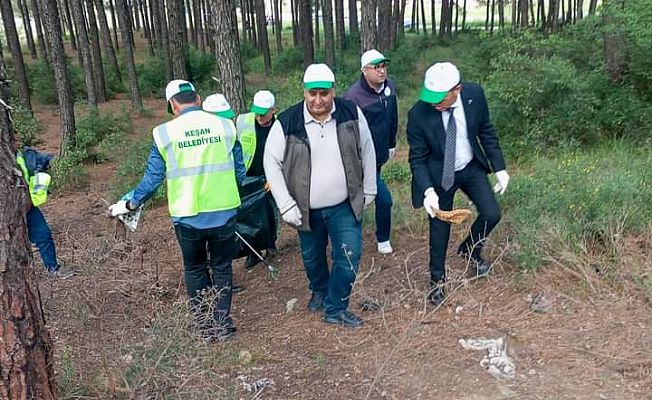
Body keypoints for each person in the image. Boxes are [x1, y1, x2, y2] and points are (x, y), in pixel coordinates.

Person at [109, 80, 246, 342]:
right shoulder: (226, 126)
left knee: (195, 269)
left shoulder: (164, 133)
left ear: (173, 105)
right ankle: (223, 324)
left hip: (188, 217)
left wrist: (130, 204)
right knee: (222, 267)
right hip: (224, 212)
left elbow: (152, 179)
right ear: (198, 98)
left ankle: (205, 328)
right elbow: (239, 171)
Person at [264, 64, 377, 328]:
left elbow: (367, 149)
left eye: (324, 93)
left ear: (333, 91)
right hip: (305, 208)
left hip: (344, 204)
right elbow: (271, 162)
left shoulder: (350, 113)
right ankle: (320, 290)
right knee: (312, 256)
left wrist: (369, 187)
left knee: (348, 256)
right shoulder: (287, 122)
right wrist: (285, 204)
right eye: (312, 93)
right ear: (304, 92)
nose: (318, 100)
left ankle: (336, 308)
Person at [406, 62, 510, 306]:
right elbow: (417, 159)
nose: (433, 103)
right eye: (430, 97)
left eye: (439, 98)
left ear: (457, 90)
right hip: (439, 173)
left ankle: (470, 250)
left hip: (470, 166)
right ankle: (437, 282)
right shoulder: (418, 114)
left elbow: (486, 131)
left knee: (491, 213)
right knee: (440, 227)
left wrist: (500, 168)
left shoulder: (474, 95)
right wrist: (428, 191)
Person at [343, 49, 398, 254]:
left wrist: (391, 144)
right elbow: (347, 132)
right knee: (383, 199)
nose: (382, 71)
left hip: (380, 155)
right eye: (376, 67)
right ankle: (381, 239)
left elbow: (393, 118)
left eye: (383, 66)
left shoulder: (389, 88)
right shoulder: (353, 97)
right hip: (360, 159)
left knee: (368, 195)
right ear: (364, 70)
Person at [15, 139, 74, 279]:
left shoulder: (20, 155)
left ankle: (52, 267)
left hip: (27, 205)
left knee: (44, 235)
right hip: (9, 210)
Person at [236, 90, 279, 269]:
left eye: (264, 113)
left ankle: (270, 243)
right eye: (257, 112)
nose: (259, 117)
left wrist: (274, 178)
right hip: (247, 177)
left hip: (269, 177)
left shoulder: (279, 126)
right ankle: (252, 252)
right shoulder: (242, 121)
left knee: (270, 213)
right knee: (247, 216)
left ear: (273, 110)